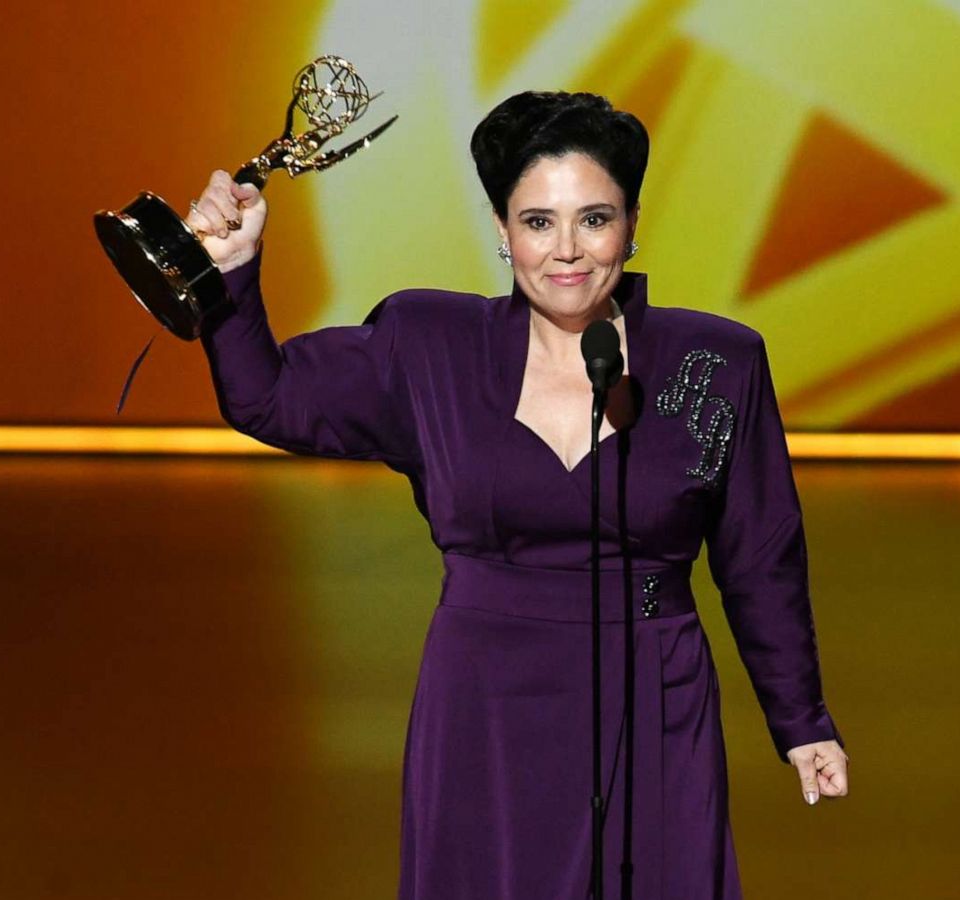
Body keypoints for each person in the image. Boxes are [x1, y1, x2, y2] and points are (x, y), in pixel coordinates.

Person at [185, 90, 848, 899]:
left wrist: (801, 719)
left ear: (633, 223)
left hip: (654, 699)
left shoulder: (718, 363)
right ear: (502, 231)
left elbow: (760, 556)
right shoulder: (427, 346)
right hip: (484, 709)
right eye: (538, 222)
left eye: (594, 219)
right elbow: (269, 399)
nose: (567, 250)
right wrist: (230, 276)